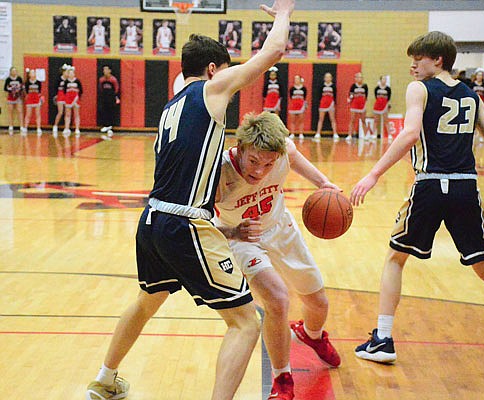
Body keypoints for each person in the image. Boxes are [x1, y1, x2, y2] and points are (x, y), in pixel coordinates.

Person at [85, 1, 294, 399]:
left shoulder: (171, 107)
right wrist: (283, 14)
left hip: (153, 220)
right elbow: (273, 53)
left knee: (148, 300)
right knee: (246, 323)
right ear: (215, 70)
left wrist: (224, 228)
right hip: (182, 224)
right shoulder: (211, 90)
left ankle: (106, 378)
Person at [350, 31, 484, 365]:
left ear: (437, 60)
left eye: (418, 59)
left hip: (430, 184)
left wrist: (373, 174)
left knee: (395, 259)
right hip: (467, 188)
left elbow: (411, 134)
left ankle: (382, 339)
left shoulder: (420, 89)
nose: (412, 65)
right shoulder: (472, 96)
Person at [214, 111, 341, 400]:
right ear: (241, 147)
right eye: (254, 161)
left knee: (318, 303)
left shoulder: (283, 152)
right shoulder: (219, 172)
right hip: (244, 239)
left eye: (268, 164)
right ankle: (283, 379)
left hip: (282, 229)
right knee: (278, 299)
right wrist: (234, 234)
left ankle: (313, 334)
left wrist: (323, 183)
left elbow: (294, 158)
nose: (259, 171)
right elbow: (198, 226)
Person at [314, 72, 339, 141]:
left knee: (332, 119)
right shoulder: (322, 86)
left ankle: (335, 133)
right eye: (326, 77)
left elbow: (335, 96)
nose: (328, 78)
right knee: (321, 119)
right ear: (324, 78)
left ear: (331, 78)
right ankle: (318, 133)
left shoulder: (333, 86)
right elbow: (319, 95)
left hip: (331, 104)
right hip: (323, 104)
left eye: (329, 77)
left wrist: (334, 104)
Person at [98, 65, 120, 139]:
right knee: (104, 111)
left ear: (110, 71)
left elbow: (116, 89)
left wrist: (116, 97)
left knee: (111, 112)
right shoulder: (101, 79)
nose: (105, 71)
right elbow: (100, 88)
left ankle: (110, 127)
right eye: (104, 70)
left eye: (106, 70)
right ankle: (105, 126)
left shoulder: (113, 79)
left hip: (111, 98)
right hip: (104, 98)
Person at [347, 72, 369, 141]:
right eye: (358, 77)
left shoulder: (365, 86)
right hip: (354, 105)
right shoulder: (353, 86)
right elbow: (350, 95)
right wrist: (349, 99)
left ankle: (366, 135)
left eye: (361, 77)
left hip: (362, 105)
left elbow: (366, 96)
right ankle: (349, 135)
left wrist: (365, 104)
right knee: (352, 120)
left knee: (363, 120)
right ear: (355, 78)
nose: (360, 79)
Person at [3, 66, 24, 135]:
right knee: (10, 112)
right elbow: (5, 88)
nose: (14, 72)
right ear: (10, 72)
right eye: (12, 71)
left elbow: (22, 87)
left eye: (15, 71)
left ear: (16, 72)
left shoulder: (19, 78)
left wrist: (18, 90)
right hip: (10, 97)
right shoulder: (8, 79)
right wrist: (11, 89)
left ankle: (21, 126)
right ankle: (11, 126)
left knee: (20, 111)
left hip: (18, 97)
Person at [63, 66, 83, 138]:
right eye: (69, 73)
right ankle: (66, 128)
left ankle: (77, 129)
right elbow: (64, 91)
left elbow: (81, 90)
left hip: (76, 99)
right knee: (67, 114)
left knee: (76, 114)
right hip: (68, 99)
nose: (71, 74)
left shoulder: (77, 81)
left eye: (72, 73)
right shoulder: (66, 82)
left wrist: (77, 98)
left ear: (74, 74)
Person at [22, 69, 43, 136]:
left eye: (34, 72)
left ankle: (38, 128)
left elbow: (39, 91)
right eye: (32, 73)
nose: (33, 74)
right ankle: (25, 128)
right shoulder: (27, 83)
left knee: (38, 114)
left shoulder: (39, 82)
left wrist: (40, 99)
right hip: (30, 100)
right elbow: (26, 92)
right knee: (28, 114)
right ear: (29, 75)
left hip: (36, 99)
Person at [52, 64, 70, 138]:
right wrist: (56, 95)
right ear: (63, 72)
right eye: (66, 72)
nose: (67, 74)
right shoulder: (58, 79)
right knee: (60, 112)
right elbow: (55, 88)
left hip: (67, 96)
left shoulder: (69, 80)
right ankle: (55, 125)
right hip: (60, 95)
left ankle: (66, 128)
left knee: (67, 113)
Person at [288, 74, 307, 140]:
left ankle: (301, 134)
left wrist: (304, 106)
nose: (296, 80)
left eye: (297, 78)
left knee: (301, 120)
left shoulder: (304, 88)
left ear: (300, 79)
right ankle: (292, 133)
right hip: (293, 106)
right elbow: (290, 97)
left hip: (301, 106)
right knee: (292, 120)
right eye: (295, 79)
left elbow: (305, 97)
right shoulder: (292, 88)